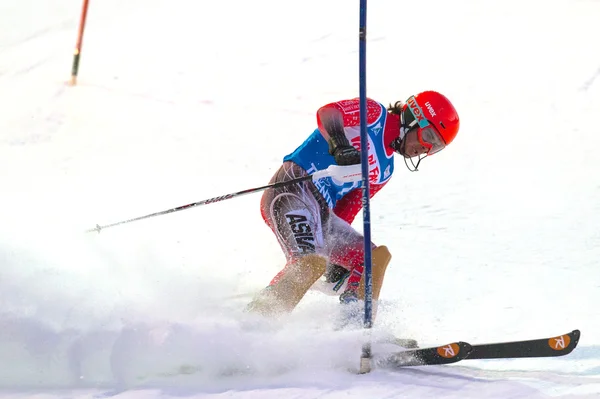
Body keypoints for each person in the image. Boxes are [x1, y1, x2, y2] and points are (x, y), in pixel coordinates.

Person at [247, 90, 460, 322]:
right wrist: (339, 143)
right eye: (428, 136)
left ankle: (354, 329)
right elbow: (329, 113)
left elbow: (345, 212)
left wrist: (338, 257)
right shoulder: (375, 115)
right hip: (293, 188)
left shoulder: (385, 171)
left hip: (322, 213)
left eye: (436, 147)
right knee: (311, 263)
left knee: (375, 258)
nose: (425, 149)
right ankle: (255, 323)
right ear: (413, 116)